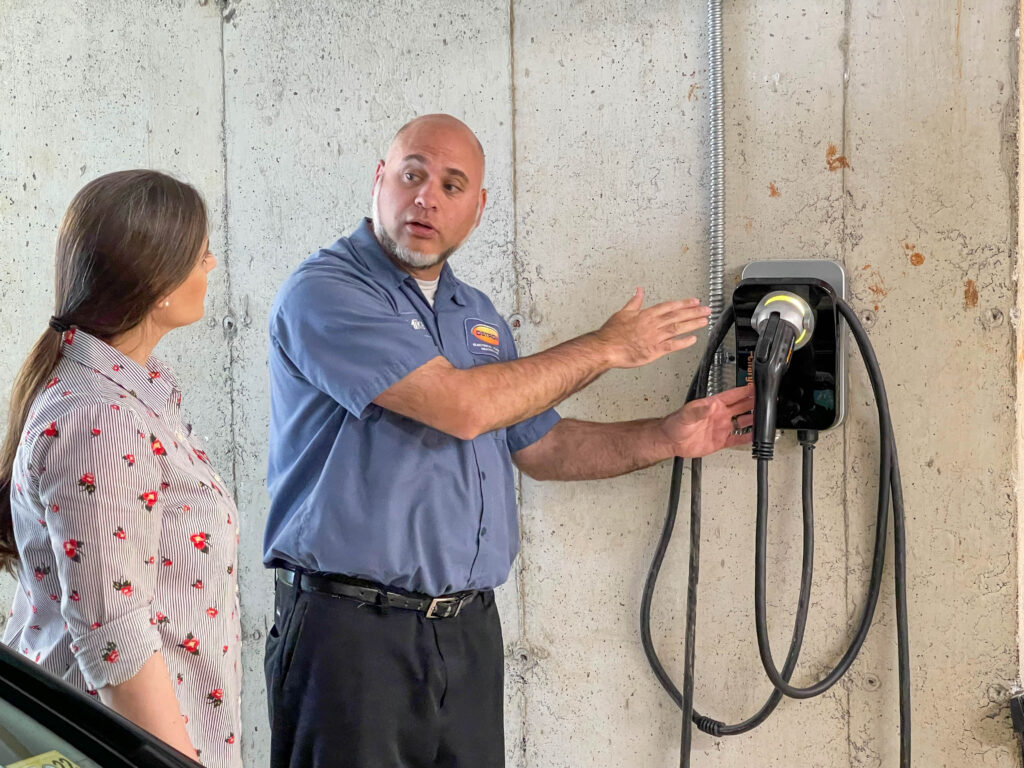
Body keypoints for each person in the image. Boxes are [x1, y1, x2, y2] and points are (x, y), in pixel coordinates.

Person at [263, 113, 754, 768]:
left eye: (453, 184)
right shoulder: (328, 291)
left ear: (479, 208)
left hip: (466, 634)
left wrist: (664, 436)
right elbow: (462, 409)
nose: (426, 197)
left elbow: (541, 447)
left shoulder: (479, 317)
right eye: (412, 174)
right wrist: (607, 347)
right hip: (352, 637)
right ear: (380, 179)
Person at [0, 170, 242, 767]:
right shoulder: (99, 419)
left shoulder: (135, 394)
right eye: (198, 251)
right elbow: (113, 635)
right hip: (128, 750)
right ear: (156, 280)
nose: (211, 262)